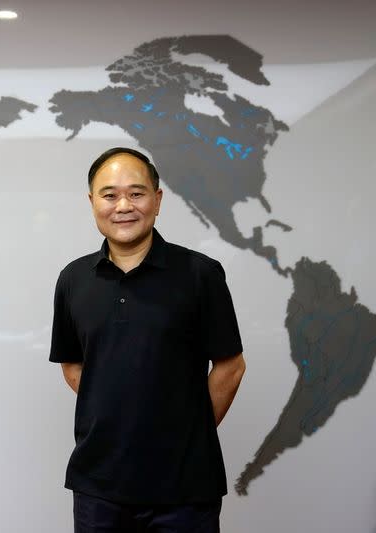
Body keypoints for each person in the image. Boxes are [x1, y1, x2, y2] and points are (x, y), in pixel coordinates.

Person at [49, 147, 246, 533]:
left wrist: (186, 432)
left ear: (157, 200)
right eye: (109, 195)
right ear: (93, 202)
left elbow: (231, 366)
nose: (123, 205)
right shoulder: (72, 280)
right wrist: (119, 416)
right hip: (98, 486)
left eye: (137, 193)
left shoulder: (200, 274)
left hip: (185, 488)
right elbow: (72, 364)